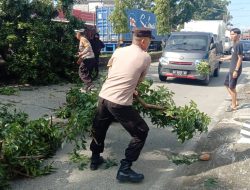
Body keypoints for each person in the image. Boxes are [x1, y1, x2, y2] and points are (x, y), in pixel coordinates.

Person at [89, 28, 154, 183]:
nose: (149, 44)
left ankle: (95, 158)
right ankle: (125, 169)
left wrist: (129, 87)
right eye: (149, 41)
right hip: (119, 102)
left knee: (100, 127)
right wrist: (133, 89)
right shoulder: (145, 57)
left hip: (104, 96)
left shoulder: (118, 51)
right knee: (141, 132)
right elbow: (138, 80)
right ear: (144, 41)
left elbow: (111, 71)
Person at [220, 28, 243, 112]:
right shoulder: (234, 44)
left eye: (233, 34)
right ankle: (235, 100)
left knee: (232, 88)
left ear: (237, 35)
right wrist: (224, 59)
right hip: (231, 69)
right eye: (230, 34)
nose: (231, 36)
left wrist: (236, 70)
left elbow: (240, 58)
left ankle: (233, 106)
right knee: (226, 84)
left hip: (235, 70)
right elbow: (233, 56)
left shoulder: (239, 44)